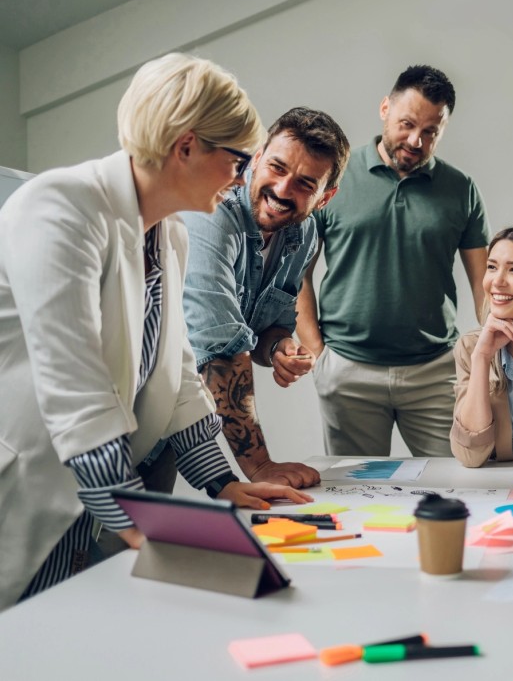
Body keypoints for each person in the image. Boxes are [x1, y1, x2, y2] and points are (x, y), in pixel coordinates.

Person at [0, 53, 313, 612]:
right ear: (186, 146)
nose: (243, 178)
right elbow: (77, 391)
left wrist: (223, 483)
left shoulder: (169, 234)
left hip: (86, 495)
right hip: (29, 485)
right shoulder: (59, 207)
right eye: (239, 160)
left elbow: (177, 378)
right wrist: (156, 530)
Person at [296, 65, 491, 458]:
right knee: (355, 498)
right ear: (385, 108)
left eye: (430, 132)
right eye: (407, 124)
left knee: (457, 485)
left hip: (436, 370)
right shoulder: (333, 178)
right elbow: (298, 273)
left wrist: (488, 359)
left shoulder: (461, 189)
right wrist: (318, 355)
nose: (416, 140)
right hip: (348, 370)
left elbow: (485, 282)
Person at [180, 107, 350, 488]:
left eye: (306, 184)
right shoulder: (213, 211)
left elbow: (267, 325)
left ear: (325, 197)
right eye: (277, 167)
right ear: (256, 157)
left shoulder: (302, 234)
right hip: (124, 401)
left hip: (181, 417)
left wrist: (277, 348)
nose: (283, 190)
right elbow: (221, 348)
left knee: (143, 537)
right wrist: (260, 467)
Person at [451, 223, 513, 480]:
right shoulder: (472, 348)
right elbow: (470, 456)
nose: (497, 281)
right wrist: (482, 358)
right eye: (492, 267)